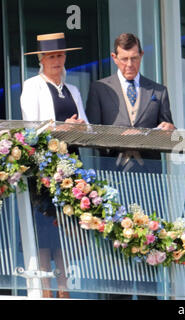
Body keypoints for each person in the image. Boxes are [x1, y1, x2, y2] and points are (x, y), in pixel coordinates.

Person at [20, 32, 87, 299]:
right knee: (46, 231)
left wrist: (80, 126)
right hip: (45, 169)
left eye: (60, 55)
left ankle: (64, 291)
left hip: (71, 167)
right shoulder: (32, 85)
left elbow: (88, 127)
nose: (57, 61)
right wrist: (63, 127)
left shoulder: (73, 89)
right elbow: (31, 129)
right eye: (51, 56)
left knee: (66, 230)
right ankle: (46, 292)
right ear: (41, 59)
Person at [86, 33, 174, 173]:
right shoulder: (99, 89)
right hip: (111, 172)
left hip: (150, 175)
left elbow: (167, 134)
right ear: (114, 58)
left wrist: (170, 130)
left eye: (134, 58)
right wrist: (120, 137)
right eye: (124, 59)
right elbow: (91, 133)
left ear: (142, 55)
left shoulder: (159, 91)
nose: (129, 64)